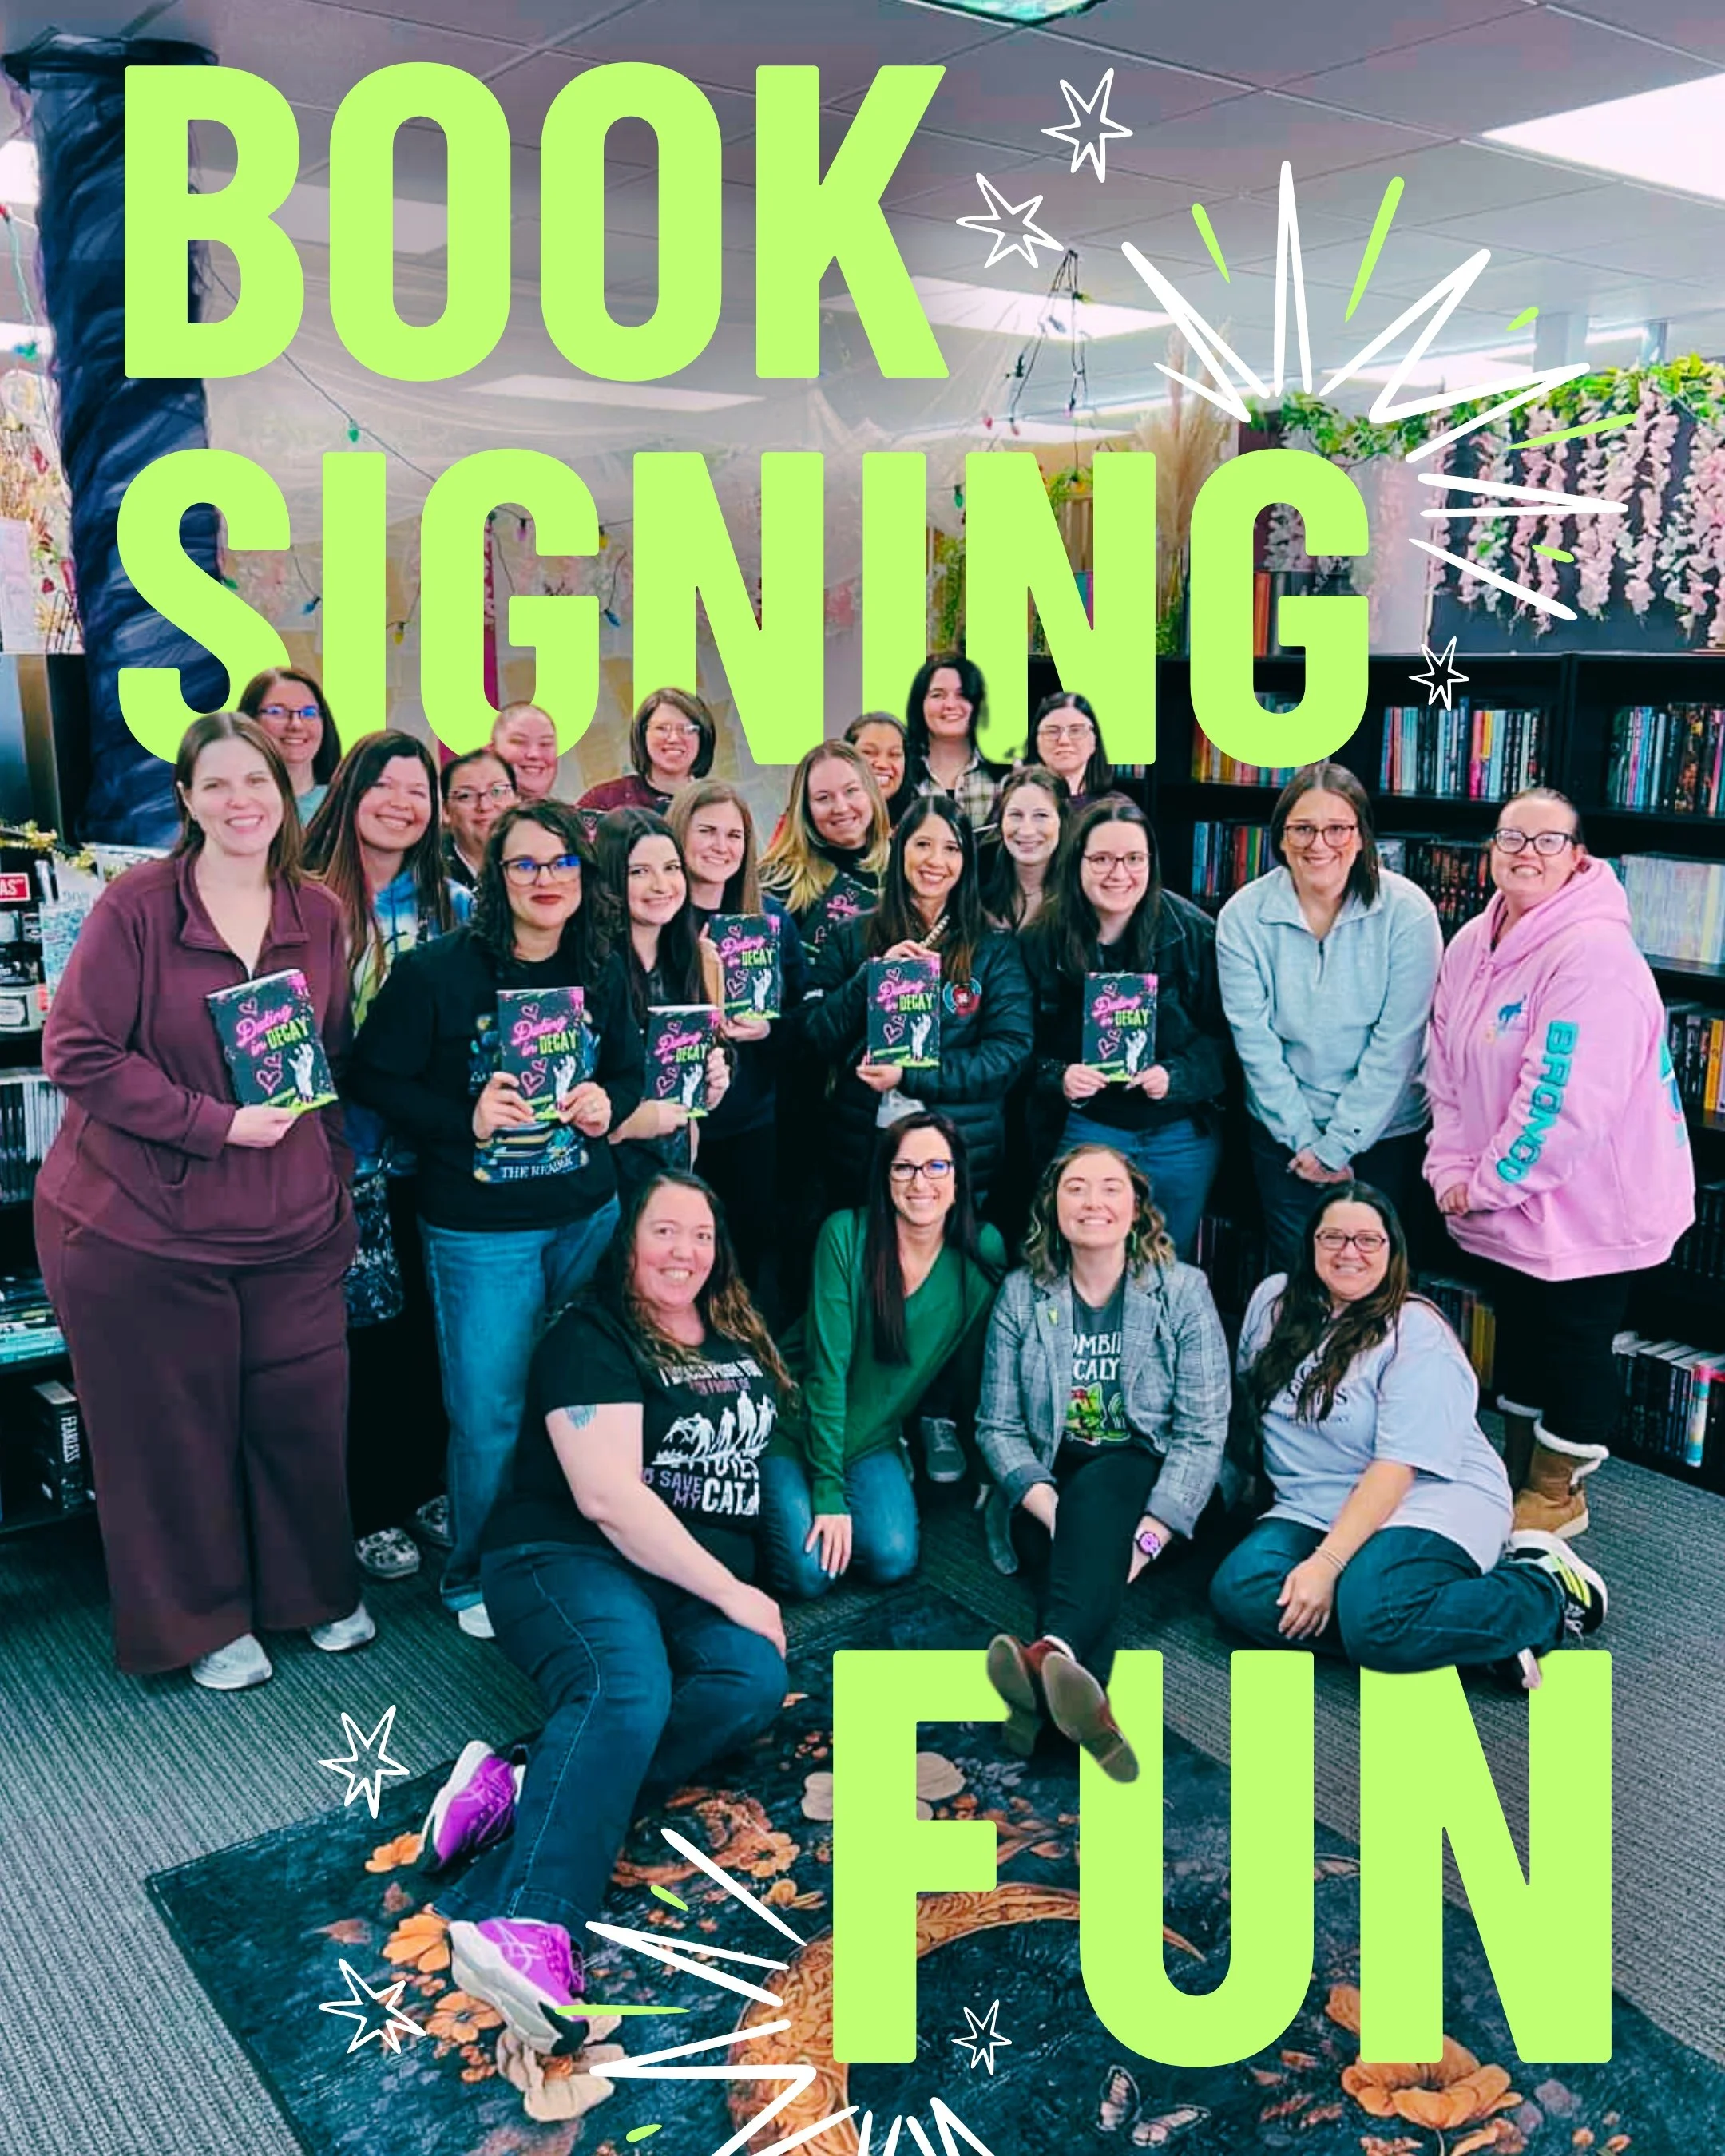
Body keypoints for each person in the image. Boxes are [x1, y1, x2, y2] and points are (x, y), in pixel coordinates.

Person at [35, 715, 365, 1689]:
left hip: (292, 1220)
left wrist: (330, 1174)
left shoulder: (320, 911)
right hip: (142, 1224)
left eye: (255, 781)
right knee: (170, 1430)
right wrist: (210, 1124)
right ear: (185, 799)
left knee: (302, 1410)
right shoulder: (135, 907)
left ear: (283, 791)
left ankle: (309, 1591)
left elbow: (329, 1055)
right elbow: (77, 1052)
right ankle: (200, 1620)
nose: (240, 803)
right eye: (215, 785)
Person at [425, 1173, 790, 2051]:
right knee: (628, 1689)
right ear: (627, 1242)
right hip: (565, 1555)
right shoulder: (589, 1336)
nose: (684, 1252)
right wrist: (736, 1591)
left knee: (753, 1679)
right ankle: (531, 1921)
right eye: (664, 1231)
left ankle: (517, 1780)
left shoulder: (732, 1331)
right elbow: (608, 1499)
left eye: (701, 1236)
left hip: (677, 1573)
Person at [347, 802, 643, 1639]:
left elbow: (630, 1067)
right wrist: (464, 1116)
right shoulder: (437, 973)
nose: (546, 881)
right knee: (490, 1413)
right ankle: (471, 1575)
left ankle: (576, 1549)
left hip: (589, 1212)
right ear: (494, 877)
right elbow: (374, 1077)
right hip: (482, 1232)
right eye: (525, 865)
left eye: (562, 864)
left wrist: (606, 1101)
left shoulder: (603, 965)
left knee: (589, 1400)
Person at [1422, 788, 1695, 1540]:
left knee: (1574, 1341)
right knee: (1522, 1330)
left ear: (1579, 858)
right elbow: (1443, 1063)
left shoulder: (1596, 955)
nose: (1525, 854)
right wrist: (1449, 1163)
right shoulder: (1472, 941)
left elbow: (1562, 1104)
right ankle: (1515, 1468)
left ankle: (1555, 1494)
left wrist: (1483, 1186)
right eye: (1511, 837)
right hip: (1503, 1200)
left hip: (1590, 1203)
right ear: (1491, 852)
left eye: (1547, 842)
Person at [1209, 1185, 1608, 1690]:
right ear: (1310, 1244)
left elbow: (1396, 1470)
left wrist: (1327, 1565)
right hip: (1312, 1506)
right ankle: (1467, 1642)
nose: (1349, 1252)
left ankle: (1544, 1588)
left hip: (1426, 1499)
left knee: (1373, 1615)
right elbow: (1250, 1415)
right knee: (1239, 1591)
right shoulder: (1273, 1301)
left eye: (1368, 1241)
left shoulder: (1414, 1330)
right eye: (1333, 1236)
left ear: (1393, 1254)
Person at [978, 1145, 1230, 1783]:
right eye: (1076, 1189)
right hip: (1051, 1485)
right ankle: (1067, 1692)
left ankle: (1048, 1660)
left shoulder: (1181, 1291)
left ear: (1137, 1206)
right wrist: (1055, 1511)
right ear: (1052, 1208)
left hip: (1150, 1478)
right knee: (1067, 1553)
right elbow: (998, 1426)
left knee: (1101, 1496)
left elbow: (1202, 1436)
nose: (1094, 1203)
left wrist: (1140, 1543)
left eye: (1111, 1189)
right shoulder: (1022, 1294)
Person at [304, 732, 469, 1582]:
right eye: (386, 785)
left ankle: (424, 1485)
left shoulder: (450, 902)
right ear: (349, 790)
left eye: (420, 790)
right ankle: (368, 1502)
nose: (404, 803)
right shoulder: (300, 896)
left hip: (429, 1154)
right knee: (359, 1338)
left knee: (424, 1334)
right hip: (336, 1157)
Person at [763, 1113, 1005, 1593]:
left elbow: (976, 1369)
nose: (920, 1183)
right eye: (904, 1168)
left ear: (958, 1177)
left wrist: (987, 1465)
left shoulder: (981, 1252)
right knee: (808, 1574)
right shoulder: (845, 1236)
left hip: (871, 1434)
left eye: (937, 1167)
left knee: (893, 1557)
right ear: (885, 1177)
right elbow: (826, 1375)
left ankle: (835, 1497)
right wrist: (829, 1494)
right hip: (793, 1423)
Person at [1216, 762, 1442, 1276]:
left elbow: (1399, 1043)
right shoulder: (1242, 917)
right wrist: (1305, 1143)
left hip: (1386, 1133)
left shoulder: (1408, 913)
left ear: (1361, 837)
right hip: (1284, 1133)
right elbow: (1255, 1044)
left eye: (1337, 828)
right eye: (1302, 828)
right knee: (1297, 1275)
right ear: (1281, 838)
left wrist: (1340, 1144)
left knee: (1372, 1280)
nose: (1319, 844)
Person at [802, 797, 1033, 1215]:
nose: (935, 860)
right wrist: (870, 980)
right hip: (864, 1145)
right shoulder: (852, 934)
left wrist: (911, 1075)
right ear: (900, 848)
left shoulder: (994, 946)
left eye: (951, 849)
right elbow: (814, 1036)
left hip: (961, 1148)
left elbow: (1008, 1054)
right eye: (922, 844)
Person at [1025, 796, 1229, 1262]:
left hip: (1179, 1132)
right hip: (1086, 1125)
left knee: (1164, 1263)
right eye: (1101, 859)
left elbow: (1225, 1043)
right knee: (1080, 1260)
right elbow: (1018, 1047)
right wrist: (1059, 1075)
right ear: (1077, 862)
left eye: (1133, 859)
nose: (1119, 873)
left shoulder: (1194, 933)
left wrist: (1174, 1076)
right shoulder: (1042, 939)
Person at [669, 780, 808, 1310]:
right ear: (678, 833)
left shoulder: (772, 921)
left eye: (734, 834)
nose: (721, 846)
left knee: (743, 1263)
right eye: (706, 831)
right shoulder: (657, 918)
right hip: (672, 1126)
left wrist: (768, 1030)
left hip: (750, 1125)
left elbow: (803, 1021)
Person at [593, 809, 732, 1209]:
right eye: (639, 872)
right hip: (604, 1187)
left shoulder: (696, 959)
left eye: (671, 868)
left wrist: (714, 1082)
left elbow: (696, 1077)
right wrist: (624, 1125)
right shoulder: (592, 967)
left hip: (674, 1173)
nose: (661, 885)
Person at [758, 740, 891, 959]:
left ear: (872, 793)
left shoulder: (907, 867)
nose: (840, 807)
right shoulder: (777, 882)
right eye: (823, 798)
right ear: (806, 809)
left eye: (851, 791)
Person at [906, 651, 1005, 832]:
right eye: (938, 695)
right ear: (919, 704)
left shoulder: (1004, 778)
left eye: (963, 695)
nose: (950, 705)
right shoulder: (902, 775)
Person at [578, 687, 715, 814]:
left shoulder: (718, 806)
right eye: (662, 728)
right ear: (642, 734)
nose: (674, 738)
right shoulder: (604, 802)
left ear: (703, 737)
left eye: (687, 730)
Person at [238, 667, 340, 820]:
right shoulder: (231, 804)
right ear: (249, 720)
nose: (296, 724)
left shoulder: (346, 805)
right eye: (277, 712)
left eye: (309, 713)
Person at [981, 763, 1068, 931]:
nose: (1026, 831)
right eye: (1016, 815)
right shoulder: (978, 882)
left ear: (1062, 822)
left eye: (1041, 816)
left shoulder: (1082, 889)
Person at [442, 749, 518, 890]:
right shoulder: (427, 877)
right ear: (445, 811)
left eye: (497, 791)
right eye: (466, 795)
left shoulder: (539, 860)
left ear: (517, 800)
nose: (484, 806)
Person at [1030, 691, 1114, 810]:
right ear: (1036, 741)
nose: (1064, 741)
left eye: (1076, 731)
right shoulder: (1017, 802)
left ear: (1094, 740)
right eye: (1052, 731)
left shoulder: (1114, 811)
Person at [846, 710, 912, 823]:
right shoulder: (833, 818)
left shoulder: (920, 822)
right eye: (869, 752)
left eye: (894, 754)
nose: (882, 764)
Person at [492, 703, 561, 804]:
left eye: (545, 744)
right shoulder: (470, 817)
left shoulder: (576, 818)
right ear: (492, 750)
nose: (535, 754)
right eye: (520, 742)